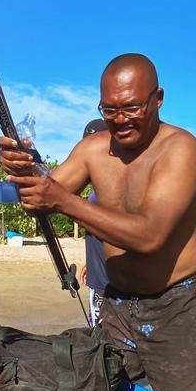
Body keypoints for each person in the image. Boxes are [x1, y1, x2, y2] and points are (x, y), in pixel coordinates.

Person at [0, 53, 196, 391]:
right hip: (115, 302)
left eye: (131, 107)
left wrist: (63, 201)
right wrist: (22, 170)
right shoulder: (92, 149)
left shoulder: (181, 149)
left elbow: (149, 236)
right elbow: (40, 199)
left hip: (175, 305)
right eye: (109, 109)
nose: (120, 119)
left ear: (158, 99)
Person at [78, 119, 109, 326]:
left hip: (109, 283)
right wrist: (91, 262)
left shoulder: (114, 184)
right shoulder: (97, 186)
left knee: (102, 337)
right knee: (96, 332)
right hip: (98, 277)